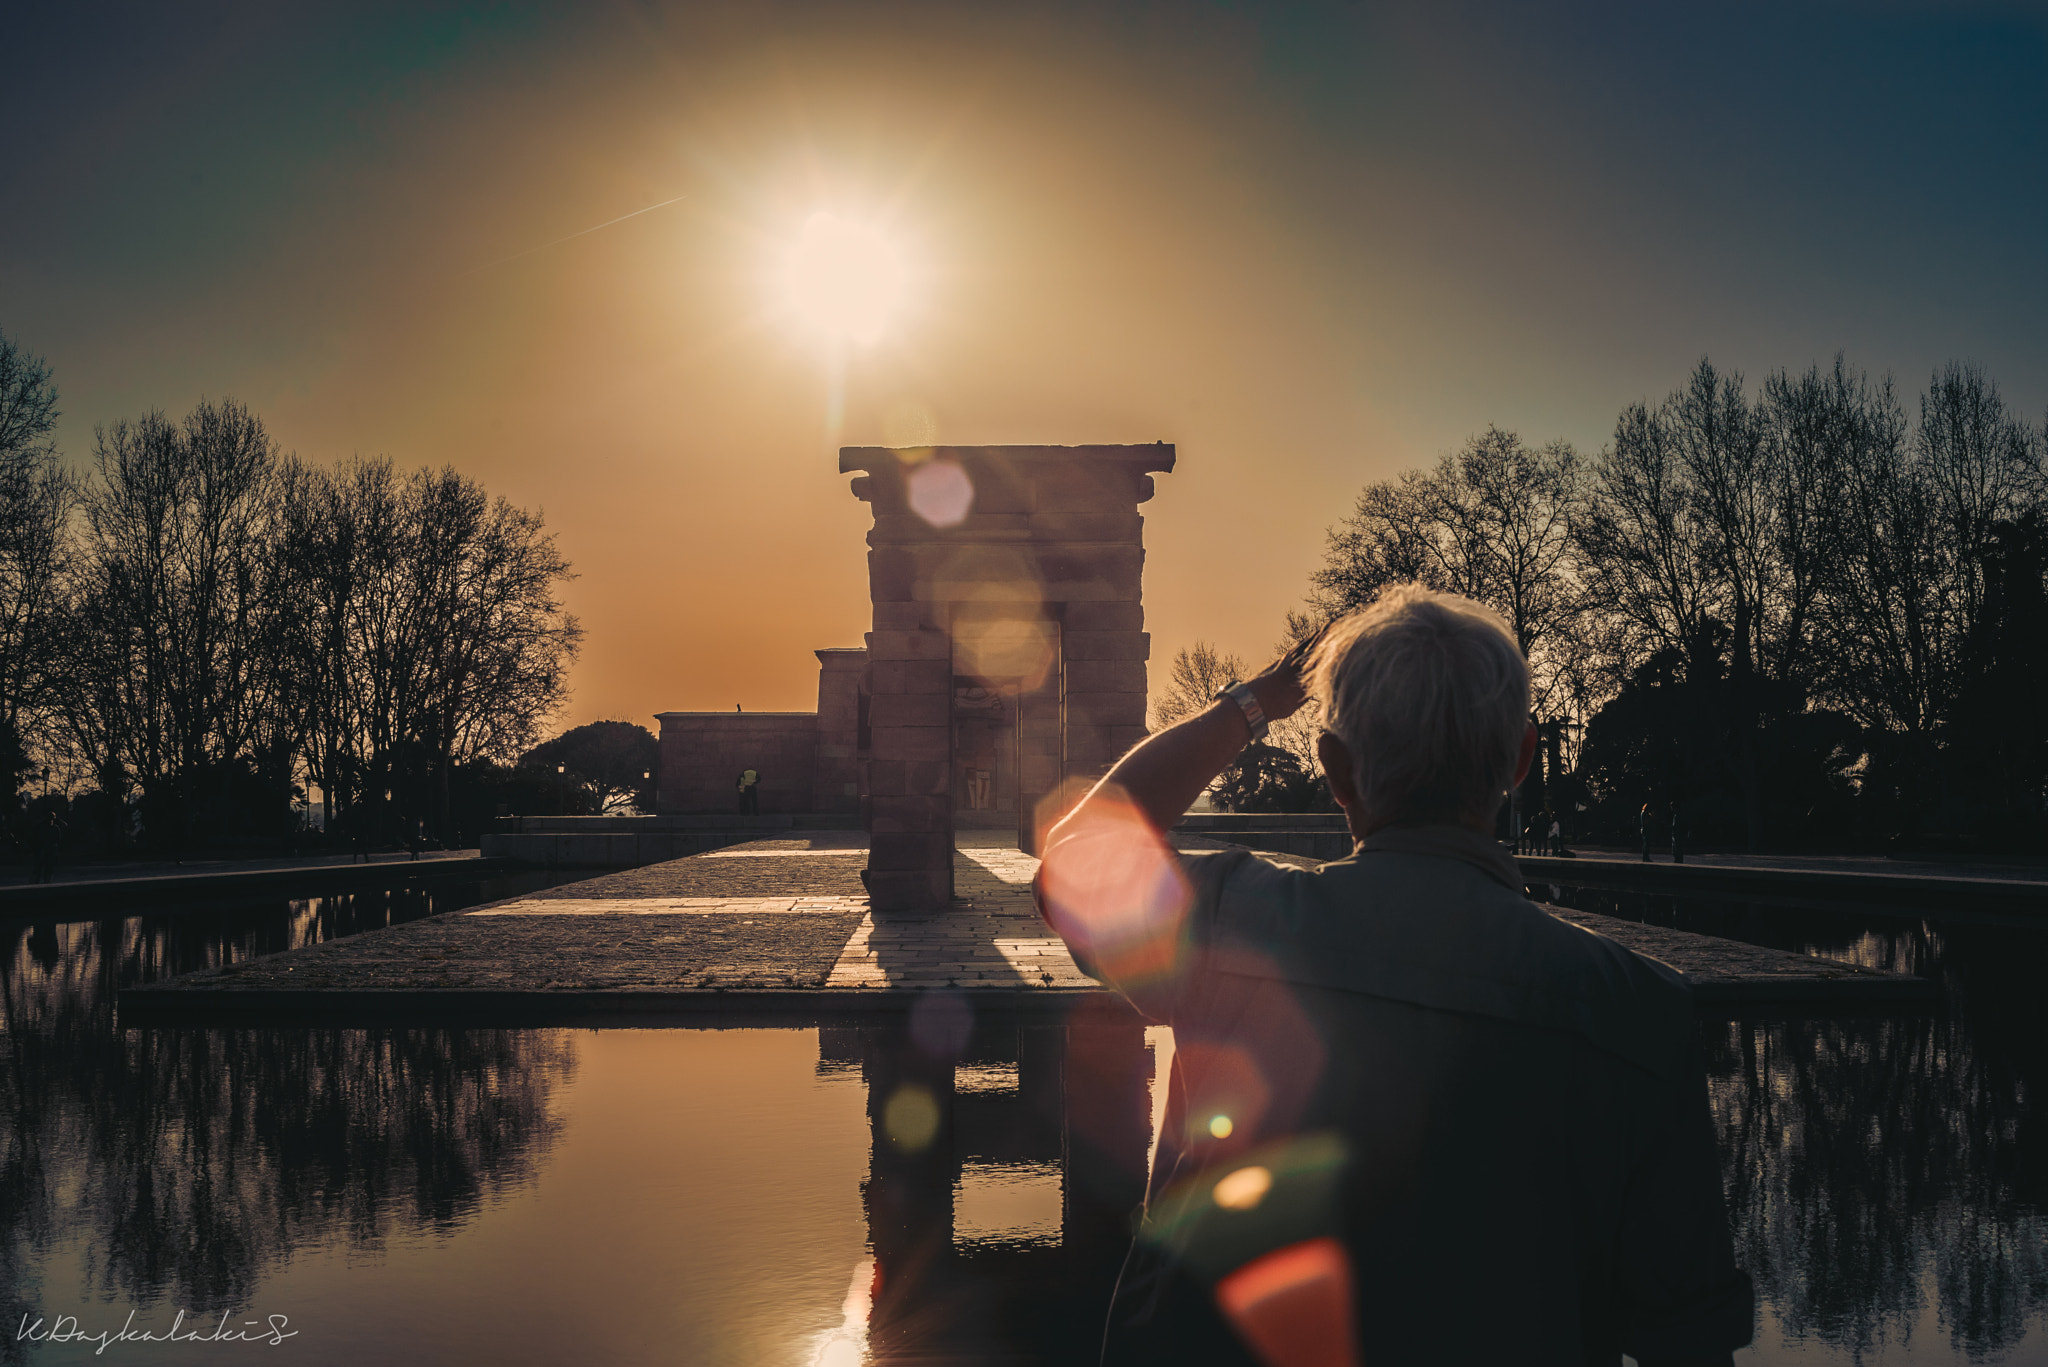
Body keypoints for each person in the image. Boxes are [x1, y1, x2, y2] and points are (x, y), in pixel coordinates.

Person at [1037, 584, 1751, 1367]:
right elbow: (1690, 1341)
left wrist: (1252, 704)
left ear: (1335, 769)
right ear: (1520, 758)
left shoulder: (1236, 928)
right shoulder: (1639, 1012)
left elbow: (1073, 861)